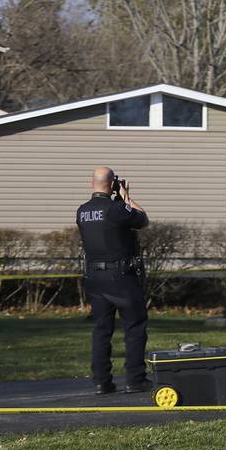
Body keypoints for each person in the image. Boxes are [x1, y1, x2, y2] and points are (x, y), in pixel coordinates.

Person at [76, 166, 151, 395]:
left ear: (92, 184)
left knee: (101, 330)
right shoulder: (116, 209)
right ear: (111, 185)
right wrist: (126, 196)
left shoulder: (82, 211)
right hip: (121, 277)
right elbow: (143, 219)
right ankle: (135, 379)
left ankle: (101, 381)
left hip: (94, 278)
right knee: (135, 327)